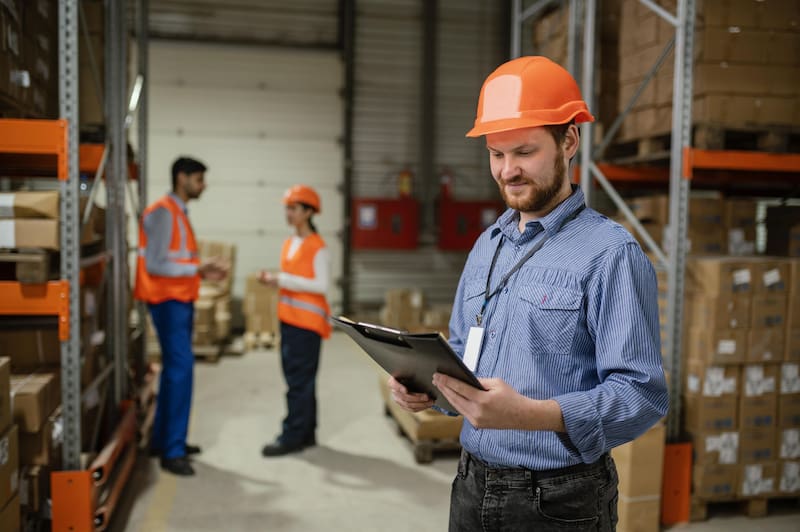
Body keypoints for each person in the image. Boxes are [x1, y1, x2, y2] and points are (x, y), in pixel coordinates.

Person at [389, 56, 669, 531]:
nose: (507, 171)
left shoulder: (609, 253)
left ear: (568, 142)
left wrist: (530, 415)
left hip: (560, 500)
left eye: (524, 152)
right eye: (497, 154)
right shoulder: (488, 245)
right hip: (471, 483)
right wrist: (430, 388)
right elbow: (463, 353)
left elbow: (641, 396)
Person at [134, 156, 229, 476]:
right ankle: (172, 450)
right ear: (182, 178)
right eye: (199, 179)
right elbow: (156, 265)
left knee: (177, 371)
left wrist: (201, 273)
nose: (203, 186)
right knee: (180, 371)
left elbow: (176, 261)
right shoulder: (163, 212)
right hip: (168, 302)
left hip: (178, 299)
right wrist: (197, 268)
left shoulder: (177, 213)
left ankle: (164, 440)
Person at [259, 184, 331, 457]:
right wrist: (275, 280)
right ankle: (307, 432)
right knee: (302, 381)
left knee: (298, 383)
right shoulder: (290, 243)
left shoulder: (318, 247)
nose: (288, 213)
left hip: (307, 326)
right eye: (287, 208)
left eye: (294, 208)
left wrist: (281, 279)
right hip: (290, 320)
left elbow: (321, 285)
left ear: (309, 212)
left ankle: (292, 435)